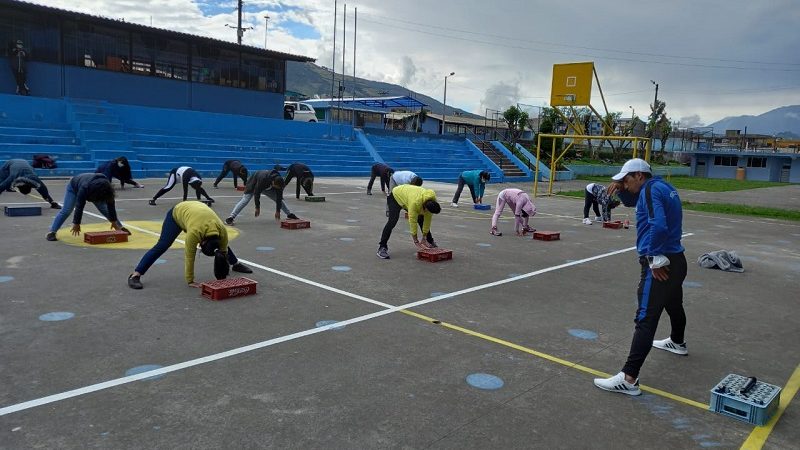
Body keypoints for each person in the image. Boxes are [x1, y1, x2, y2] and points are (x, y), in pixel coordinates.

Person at [593, 158, 688, 396]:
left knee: (645, 318)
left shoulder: (649, 190)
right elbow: (634, 203)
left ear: (639, 175)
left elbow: (659, 225)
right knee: (674, 304)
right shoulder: (662, 187)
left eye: (626, 179)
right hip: (677, 260)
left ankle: (629, 378)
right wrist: (622, 188)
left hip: (661, 263)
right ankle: (677, 341)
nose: (624, 183)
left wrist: (654, 257)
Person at [127, 201, 252, 289]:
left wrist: (223, 276)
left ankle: (235, 264)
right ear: (201, 242)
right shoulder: (194, 234)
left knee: (218, 246)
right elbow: (189, 257)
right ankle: (135, 275)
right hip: (178, 213)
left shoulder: (222, 231)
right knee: (163, 245)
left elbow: (222, 251)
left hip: (198, 211)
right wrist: (190, 280)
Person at [45, 173, 128, 241]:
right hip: (73, 187)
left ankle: (120, 227)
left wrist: (113, 222)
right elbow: (79, 206)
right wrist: (76, 223)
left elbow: (111, 205)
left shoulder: (107, 188)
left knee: (105, 209)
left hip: (96, 189)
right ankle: (52, 232)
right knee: (66, 210)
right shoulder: (84, 188)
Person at [377, 184, 441, 260]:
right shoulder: (415, 203)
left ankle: (429, 241)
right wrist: (416, 240)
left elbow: (427, 221)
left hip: (408, 196)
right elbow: (412, 221)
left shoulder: (432, 202)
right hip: (396, 196)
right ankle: (382, 247)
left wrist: (424, 237)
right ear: (426, 207)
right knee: (392, 221)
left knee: (421, 219)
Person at [225, 168, 298, 225]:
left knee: (277, 198)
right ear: (273, 182)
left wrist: (278, 211)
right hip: (254, 183)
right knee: (245, 200)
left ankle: (289, 214)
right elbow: (257, 193)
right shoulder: (263, 179)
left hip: (267, 187)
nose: (277, 189)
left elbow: (279, 197)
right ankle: (231, 217)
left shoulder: (280, 183)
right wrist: (257, 207)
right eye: (276, 187)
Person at [149, 166, 213, 205]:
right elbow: (185, 190)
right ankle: (153, 199)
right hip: (176, 173)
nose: (194, 188)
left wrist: (206, 198)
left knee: (198, 188)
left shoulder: (199, 179)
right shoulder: (186, 178)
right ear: (190, 183)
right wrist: (184, 201)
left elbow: (198, 188)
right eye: (193, 186)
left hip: (184, 173)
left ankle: (206, 197)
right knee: (168, 187)